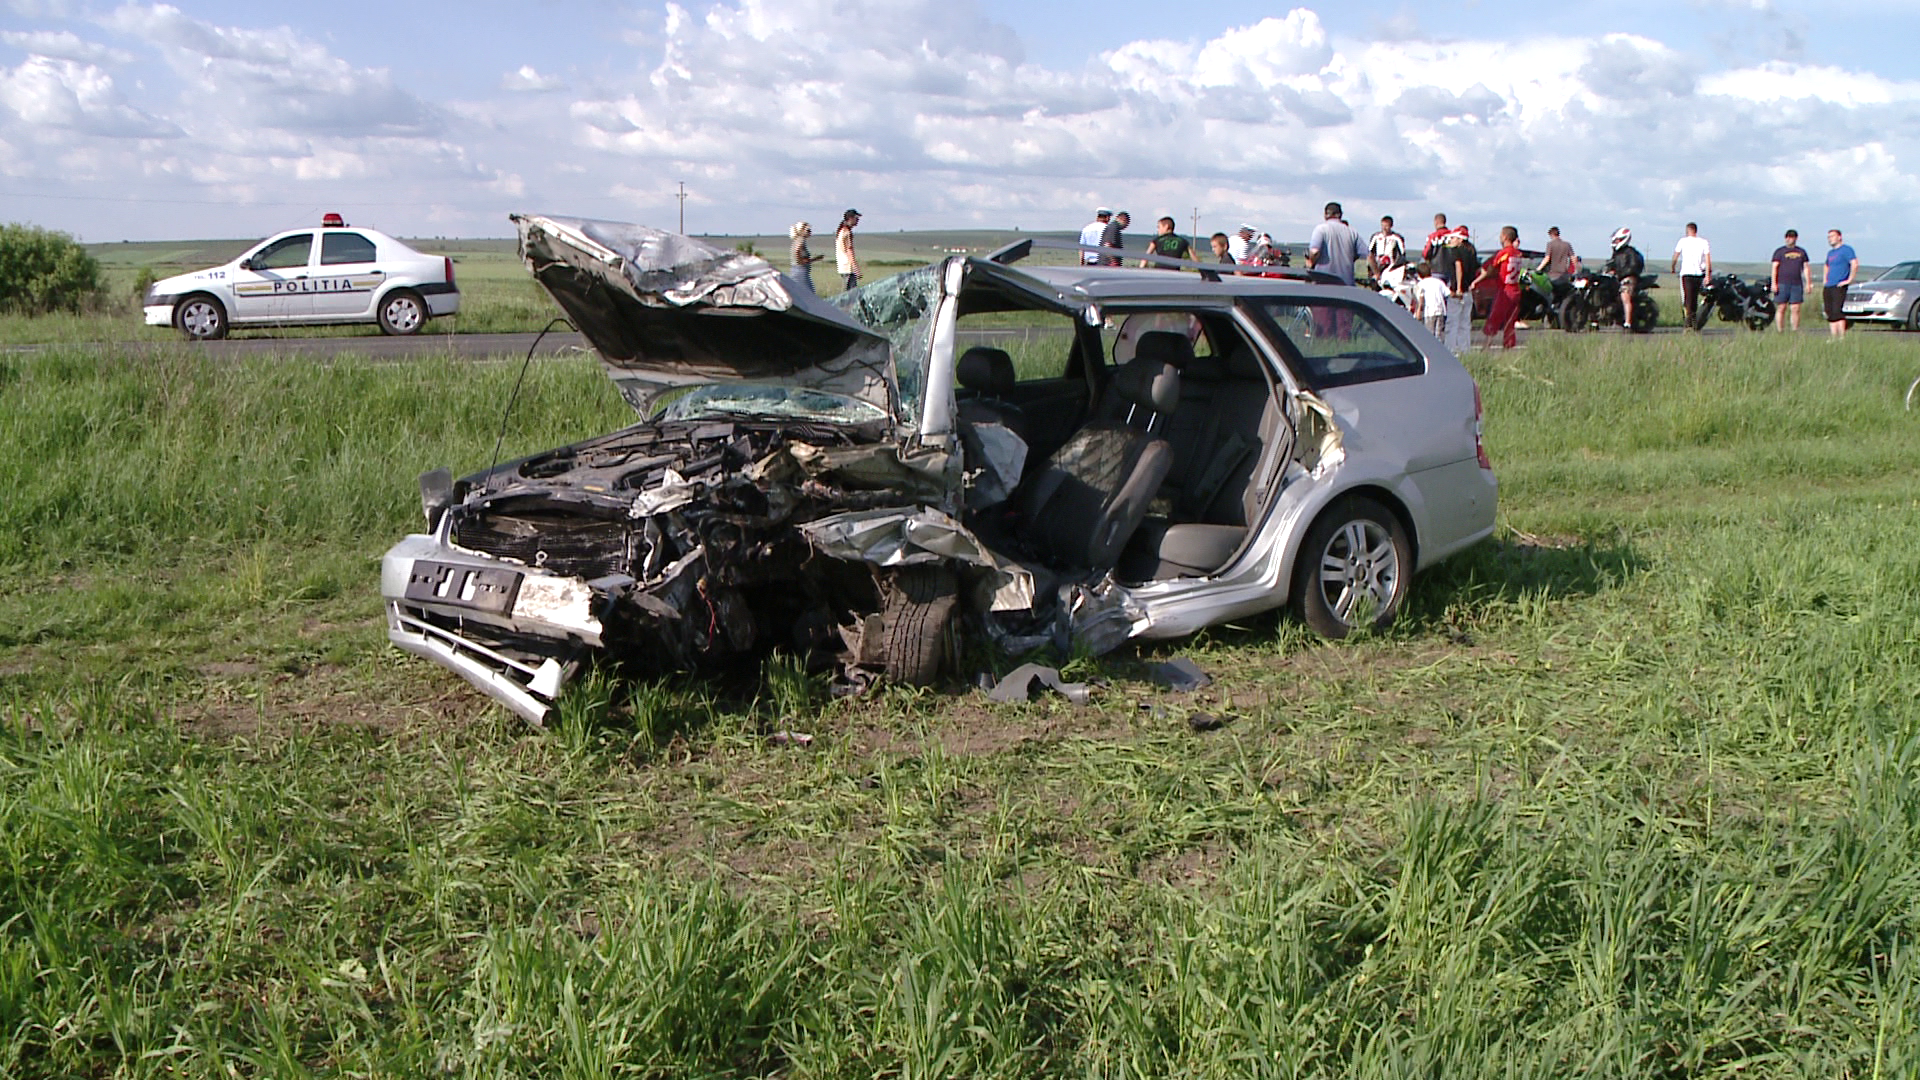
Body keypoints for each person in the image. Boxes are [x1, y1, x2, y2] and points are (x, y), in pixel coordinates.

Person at [1472, 225, 1526, 349]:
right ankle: (1508, 346)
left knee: (1495, 318)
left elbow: (1490, 269)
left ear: (1505, 237)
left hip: (1505, 290)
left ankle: (1486, 346)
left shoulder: (1503, 253)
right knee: (1510, 321)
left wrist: (1477, 279)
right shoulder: (1517, 253)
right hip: (1515, 289)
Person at [1436, 226, 1478, 354]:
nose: (1451, 240)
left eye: (1453, 237)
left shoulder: (1456, 251)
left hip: (1457, 292)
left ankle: (1451, 350)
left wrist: (1459, 287)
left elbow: (1458, 266)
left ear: (1460, 239)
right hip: (1468, 292)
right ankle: (1465, 350)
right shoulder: (1471, 251)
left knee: (1452, 323)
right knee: (1465, 324)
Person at [1305, 201, 1366, 285]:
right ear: (1340, 215)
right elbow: (1367, 255)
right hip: (1346, 283)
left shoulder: (1321, 229)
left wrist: (1311, 262)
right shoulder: (1352, 232)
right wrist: (1376, 274)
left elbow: (1314, 252)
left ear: (1325, 214)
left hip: (1323, 282)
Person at [1672, 223, 1713, 329]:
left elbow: (1676, 255)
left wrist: (1673, 267)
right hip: (1699, 274)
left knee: (1687, 299)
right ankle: (1693, 323)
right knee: (1693, 298)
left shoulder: (1683, 241)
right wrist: (1708, 275)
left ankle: (1688, 323)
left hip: (1686, 273)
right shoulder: (1704, 242)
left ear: (1687, 231)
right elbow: (1708, 260)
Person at [1771, 228, 1811, 332]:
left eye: (1792, 237)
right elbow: (1775, 267)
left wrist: (1808, 283)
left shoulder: (1801, 252)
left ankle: (1795, 330)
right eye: (1788, 237)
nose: (1789, 239)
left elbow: (1806, 268)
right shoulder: (1779, 252)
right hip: (1782, 283)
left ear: (1796, 238)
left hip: (1796, 284)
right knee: (1781, 307)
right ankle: (1780, 331)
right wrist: (1774, 283)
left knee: (1795, 308)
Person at [1606, 227, 1644, 330]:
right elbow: (1611, 263)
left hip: (1628, 278)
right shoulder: (1616, 252)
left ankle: (1628, 323)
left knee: (1625, 296)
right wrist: (1609, 269)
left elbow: (1633, 267)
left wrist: (1620, 272)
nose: (1615, 242)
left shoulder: (1630, 252)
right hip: (1617, 278)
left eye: (1617, 240)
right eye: (1615, 240)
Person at [1824, 228, 1857, 339]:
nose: (1830, 239)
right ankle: (1834, 337)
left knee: (1837, 310)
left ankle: (1841, 337)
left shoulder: (1846, 250)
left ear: (1839, 237)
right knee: (1829, 311)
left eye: (1832, 236)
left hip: (1839, 285)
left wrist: (1849, 279)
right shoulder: (1830, 253)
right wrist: (1825, 279)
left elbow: (1854, 263)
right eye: (1828, 237)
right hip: (1829, 285)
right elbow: (1827, 265)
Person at [1413, 261, 1450, 340]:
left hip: (1429, 311)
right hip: (1441, 310)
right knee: (1439, 334)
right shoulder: (1439, 282)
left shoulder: (1421, 284)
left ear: (1419, 274)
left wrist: (1418, 311)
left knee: (1429, 335)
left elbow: (1421, 298)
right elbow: (1448, 293)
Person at [834, 209, 861, 291]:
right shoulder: (846, 232)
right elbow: (849, 250)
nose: (858, 220)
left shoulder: (841, 231)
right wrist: (855, 267)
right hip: (848, 266)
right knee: (851, 293)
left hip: (843, 266)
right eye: (856, 218)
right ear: (850, 218)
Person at [788, 221, 817, 294]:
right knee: (809, 293)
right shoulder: (801, 239)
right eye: (808, 230)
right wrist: (800, 261)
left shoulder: (796, 240)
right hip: (800, 270)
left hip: (797, 270)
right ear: (801, 230)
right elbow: (797, 250)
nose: (810, 232)